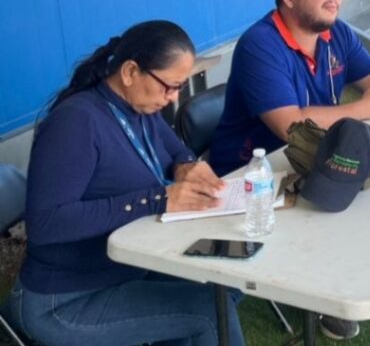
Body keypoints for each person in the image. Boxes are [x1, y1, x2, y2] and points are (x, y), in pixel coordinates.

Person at [209, 0, 370, 340]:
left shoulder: (337, 34)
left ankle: (326, 288)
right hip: (253, 173)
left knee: (368, 191)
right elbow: (288, 126)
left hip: (310, 158)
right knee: (344, 197)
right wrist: (359, 110)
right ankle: (262, 292)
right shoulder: (259, 44)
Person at [0, 20, 246, 346]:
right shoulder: (76, 123)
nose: (173, 99)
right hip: (65, 299)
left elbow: (175, 149)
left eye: (180, 88)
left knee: (227, 285)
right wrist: (157, 199)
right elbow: (46, 223)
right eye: (168, 87)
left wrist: (187, 165)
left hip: (126, 266)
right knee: (209, 311)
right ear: (131, 72)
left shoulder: (139, 108)